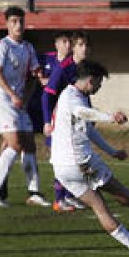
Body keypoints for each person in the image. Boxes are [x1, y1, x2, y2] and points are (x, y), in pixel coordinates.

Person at [49, 60, 129, 257]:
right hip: (80, 162)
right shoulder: (73, 98)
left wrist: (112, 151)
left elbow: (88, 129)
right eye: (98, 84)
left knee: (99, 207)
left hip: (61, 169)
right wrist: (110, 117)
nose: (98, 87)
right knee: (117, 190)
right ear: (90, 80)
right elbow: (83, 113)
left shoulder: (70, 95)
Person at [0, 6, 50, 208]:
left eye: (20, 21)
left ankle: (34, 193)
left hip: (18, 102)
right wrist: (12, 94)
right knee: (15, 143)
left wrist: (44, 81)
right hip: (1, 100)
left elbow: (36, 71)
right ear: (7, 24)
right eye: (13, 21)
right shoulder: (1, 46)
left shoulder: (28, 48)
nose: (18, 25)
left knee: (29, 144)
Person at [41, 30, 90, 212]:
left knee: (76, 158)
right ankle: (59, 200)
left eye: (86, 45)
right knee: (62, 160)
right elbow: (47, 96)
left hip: (76, 122)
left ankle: (69, 196)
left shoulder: (85, 69)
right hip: (59, 122)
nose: (84, 49)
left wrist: (90, 116)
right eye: (80, 45)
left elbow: (85, 94)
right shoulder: (63, 68)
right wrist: (47, 121)